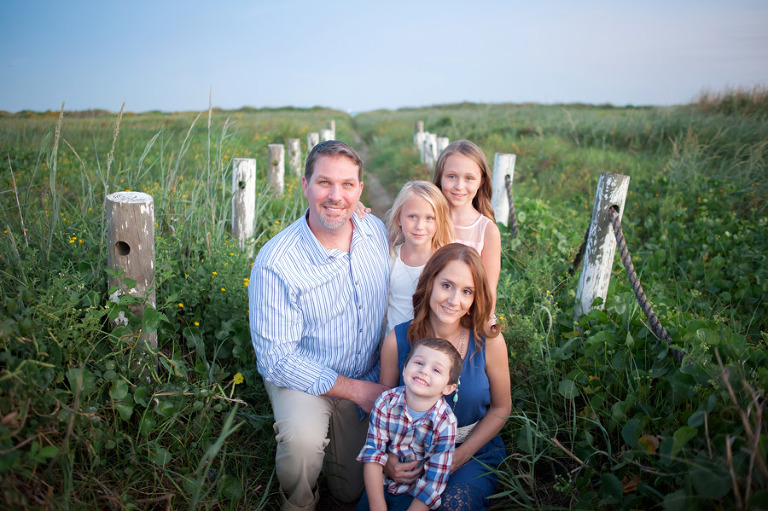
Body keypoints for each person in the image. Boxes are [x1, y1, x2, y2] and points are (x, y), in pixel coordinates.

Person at [249, 140, 390, 511]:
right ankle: (299, 504)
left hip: (366, 370)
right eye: (324, 183)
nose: (335, 196)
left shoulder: (374, 231)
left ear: (360, 190)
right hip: (303, 376)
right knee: (301, 443)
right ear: (305, 185)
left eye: (347, 185)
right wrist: (358, 391)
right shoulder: (276, 261)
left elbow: (424, 236)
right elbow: (276, 359)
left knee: (348, 492)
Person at [380, 243, 512, 510]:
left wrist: (460, 457)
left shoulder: (489, 341)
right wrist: (387, 458)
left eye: (467, 292)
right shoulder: (397, 340)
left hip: (471, 451)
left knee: (453, 505)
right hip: (411, 453)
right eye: (446, 285)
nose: (454, 301)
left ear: (476, 297)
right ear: (430, 283)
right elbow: (383, 410)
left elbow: (502, 407)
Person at [357, 337, 462, 511]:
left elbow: (434, 480)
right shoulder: (385, 402)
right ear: (405, 369)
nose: (424, 371)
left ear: (448, 388)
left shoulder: (445, 422)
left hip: (416, 495)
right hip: (379, 486)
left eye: (436, 370)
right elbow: (373, 454)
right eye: (419, 363)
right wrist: (377, 504)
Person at [432, 141, 501, 310]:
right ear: (440, 177)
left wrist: (485, 329)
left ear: (481, 182)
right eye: (451, 176)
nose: (459, 186)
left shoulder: (487, 231)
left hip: (464, 318)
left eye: (469, 178)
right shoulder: (428, 219)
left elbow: (489, 290)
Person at [384, 181, 454, 334]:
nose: (419, 226)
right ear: (398, 218)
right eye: (412, 216)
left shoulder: (445, 262)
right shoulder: (390, 257)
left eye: (429, 218)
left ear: (439, 222)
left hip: (430, 344)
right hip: (393, 344)